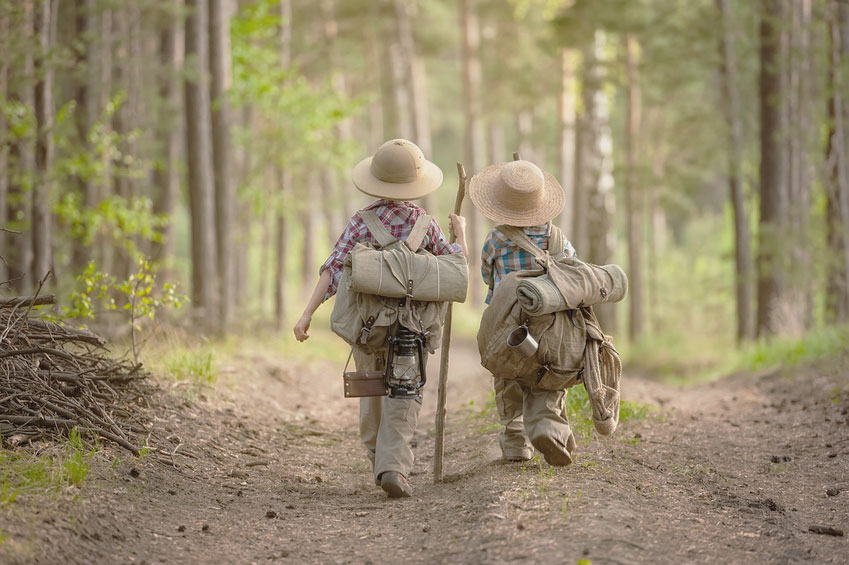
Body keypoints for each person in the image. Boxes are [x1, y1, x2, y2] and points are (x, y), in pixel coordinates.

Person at [293, 139, 467, 498]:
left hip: (367, 327)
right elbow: (454, 270)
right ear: (415, 183)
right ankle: (393, 467)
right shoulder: (427, 225)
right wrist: (460, 236)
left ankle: (379, 456)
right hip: (412, 330)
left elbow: (333, 269)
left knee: (371, 390)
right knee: (405, 395)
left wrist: (307, 314)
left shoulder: (361, 222)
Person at [468, 159, 578, 465]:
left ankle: (516, 440)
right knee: (549, 375)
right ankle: (547, 425)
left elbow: (488, 277)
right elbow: (572, 272)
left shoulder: (496, 240)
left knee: (508, 376)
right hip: (552, 324)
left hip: (510, 324)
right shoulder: (559, 239)